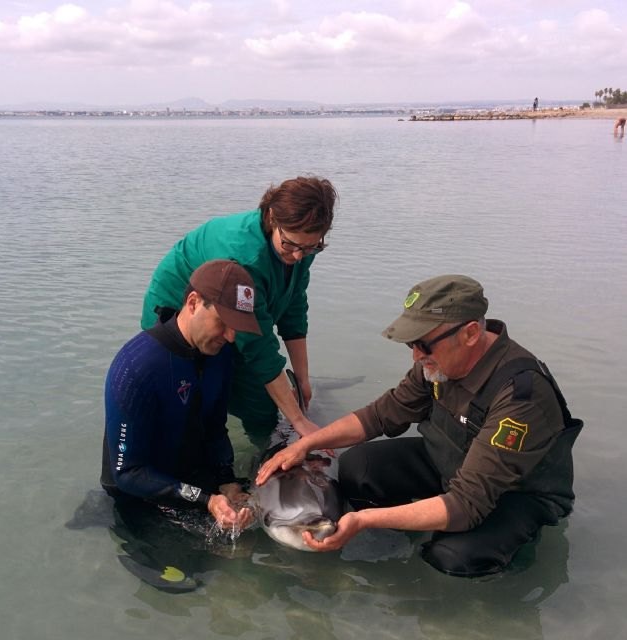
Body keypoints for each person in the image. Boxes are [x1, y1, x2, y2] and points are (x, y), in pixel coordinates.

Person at [256, 275, 583, 577]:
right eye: (410, 345)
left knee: (453, 556)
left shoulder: (521, 397)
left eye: (423, 345)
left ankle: (509, 555)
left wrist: (363, 520)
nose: (415, 356)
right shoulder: (438, 362)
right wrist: (304, 443)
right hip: (450, 462)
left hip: (513, 494)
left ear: (470, 334)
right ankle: (421, 518)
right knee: (359, 467)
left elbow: (468, 502)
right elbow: (379, 416)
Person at [141, 176, 337, 442]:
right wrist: (299, 421)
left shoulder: (300, 247)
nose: (298, 256)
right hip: (181, 308)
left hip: (236, 313)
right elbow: (259, 347)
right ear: (271, 218)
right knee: (191, 400)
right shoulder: (245, 259)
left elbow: (294, 307)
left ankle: (260, 448)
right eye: (290, 244)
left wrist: (302, 380)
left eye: (311, 247)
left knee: (262, 404)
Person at [102, 259, 262, 530]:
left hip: (195, 480)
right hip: (137, 493)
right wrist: (206, 500)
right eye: (223, 322)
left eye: (237, 326)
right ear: (193, 302)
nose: (231, 336)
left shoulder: (220, 354)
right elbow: (127, 473)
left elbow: (214, 427)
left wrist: (227, 482)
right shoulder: (136, 366)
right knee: (191, 570)